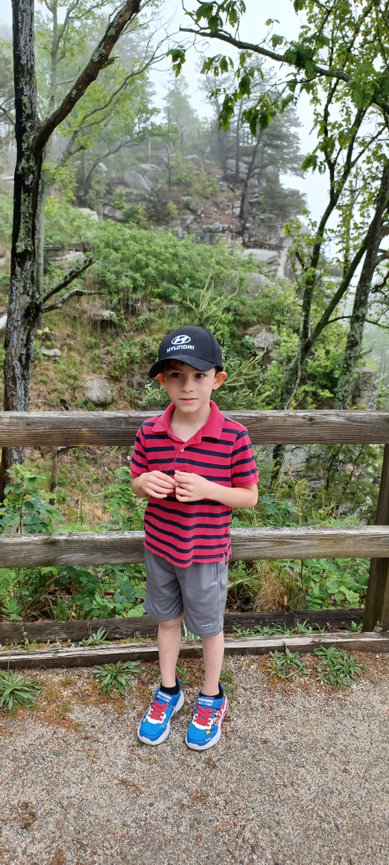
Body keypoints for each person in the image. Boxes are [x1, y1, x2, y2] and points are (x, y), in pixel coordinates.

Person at [130, 325, 258, 750]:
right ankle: (168, 690)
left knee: (208, 627)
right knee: (167, 620)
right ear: (162, 380)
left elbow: (249, 497)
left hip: (204, 553)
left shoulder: (234, 435)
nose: (188, 386)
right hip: (159, 546)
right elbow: (135, 480)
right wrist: (144, 482)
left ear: (217, 379)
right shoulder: (150, 431)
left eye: (199, 375)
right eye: (176, 375)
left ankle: (210, 697)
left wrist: (207, 489)